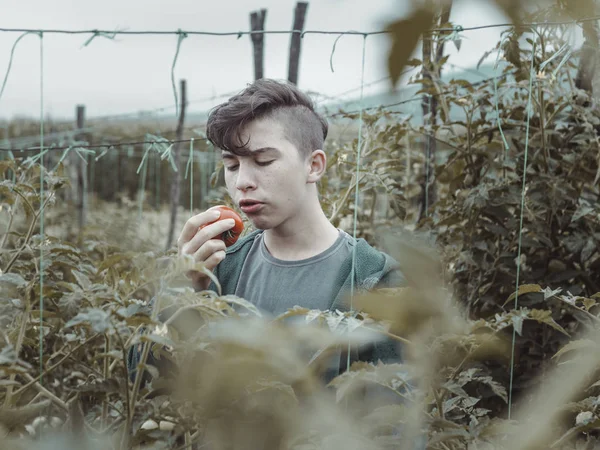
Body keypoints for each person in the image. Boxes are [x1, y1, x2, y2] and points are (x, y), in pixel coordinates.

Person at [128, 78, 406, 386]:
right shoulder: (220, 268)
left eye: (263, 161)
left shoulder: (374, 279)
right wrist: (180, 292)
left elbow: (393, 416)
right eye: (231, 166)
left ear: (313, 166)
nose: (242, 181)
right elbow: (145, 384)